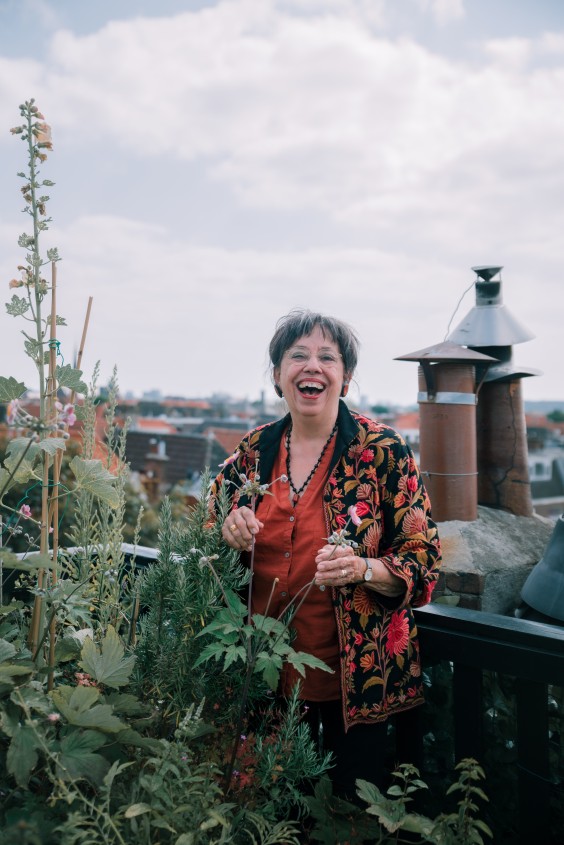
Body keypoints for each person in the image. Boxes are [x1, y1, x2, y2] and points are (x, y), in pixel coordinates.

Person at [212, 309, 441, 799]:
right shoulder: (251, 451)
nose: (311, 366)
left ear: (346, 377)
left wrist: (365, 568)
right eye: (297, 355)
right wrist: (227, 528)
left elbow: (425, 561)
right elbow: (209, 521)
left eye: (327, 357)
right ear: (277, 375)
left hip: (356, 683)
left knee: (351, 812)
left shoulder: (385, 451)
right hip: (260, 676)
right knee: (262, 806)